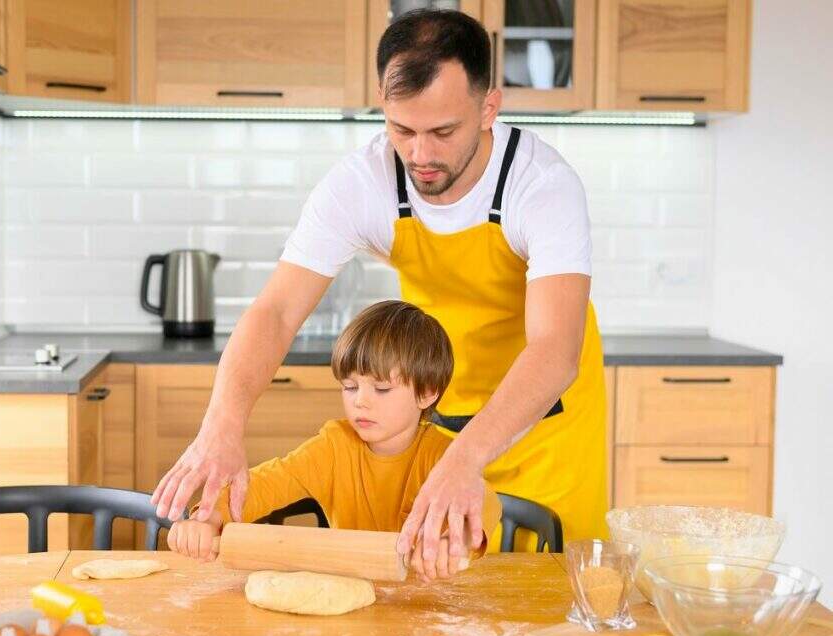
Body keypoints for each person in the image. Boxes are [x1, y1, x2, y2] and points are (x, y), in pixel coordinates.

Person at [153, 9, 607, 579]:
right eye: (402, 129)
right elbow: (275, 311)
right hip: (433, 411)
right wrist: (221, 427)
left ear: (489, 107)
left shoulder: (541, 185)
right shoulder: (362, 182)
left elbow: (554, 350)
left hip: (546, 423)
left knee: (542, 597)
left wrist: (465, 460)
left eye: (443, 131)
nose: (419, 154)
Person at [166, 301, 502, 581]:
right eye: (350, 387)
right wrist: (208, 519)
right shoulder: (333, 447)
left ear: (427, 393)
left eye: (381, 389)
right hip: (355, 601)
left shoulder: (445, 457)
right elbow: (264, 485)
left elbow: (485, 502)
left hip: (426, 606)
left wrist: (455, 539)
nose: (361, 401)